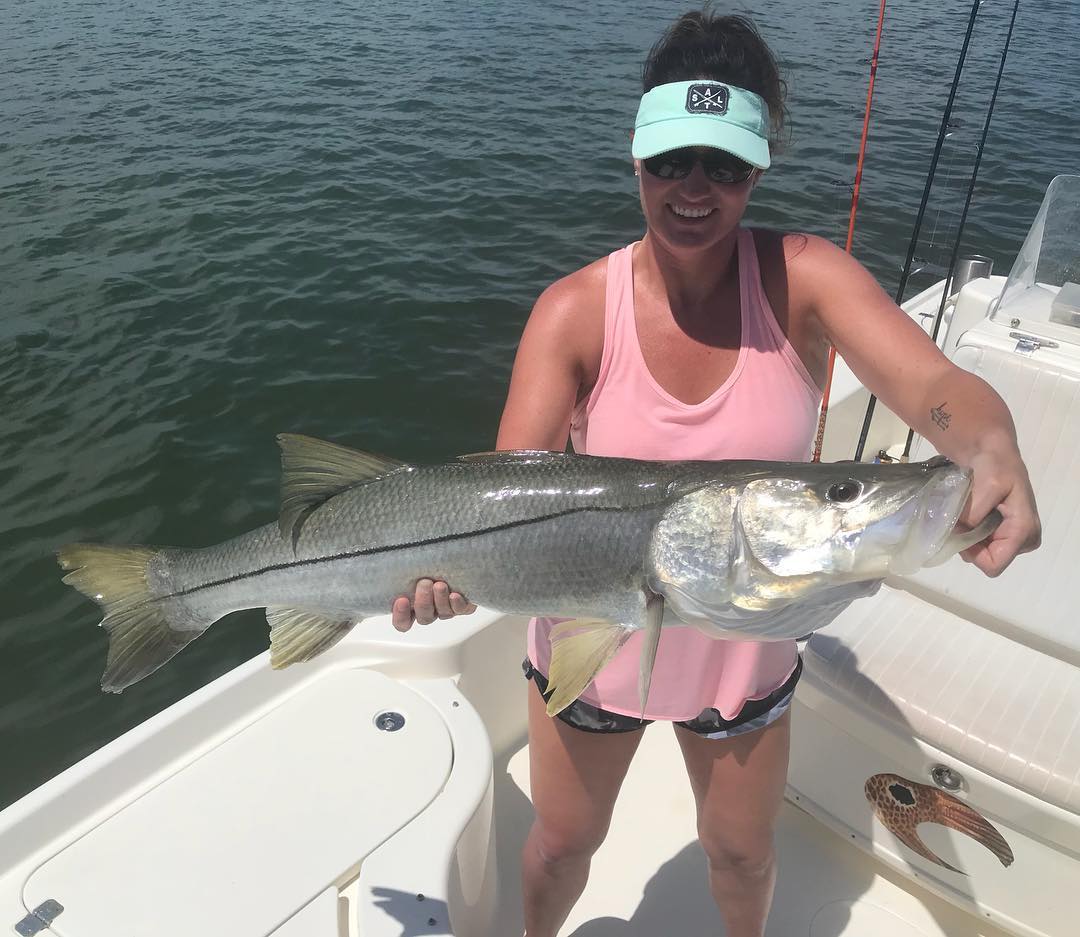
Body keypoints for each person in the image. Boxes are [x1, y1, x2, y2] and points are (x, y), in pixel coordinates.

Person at [390, 10, 1041, 937]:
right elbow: (503, 491)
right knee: (561, 846)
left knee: (743, 854)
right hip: (595, 639)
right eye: (671, 161)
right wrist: (449, 572)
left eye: (726, 166)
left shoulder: (803, 279)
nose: (695, 189)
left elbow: (934, 385)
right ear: (637, 156)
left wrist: (990, 443)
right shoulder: (574, 311)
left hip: (747, 647)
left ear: (760, 166)